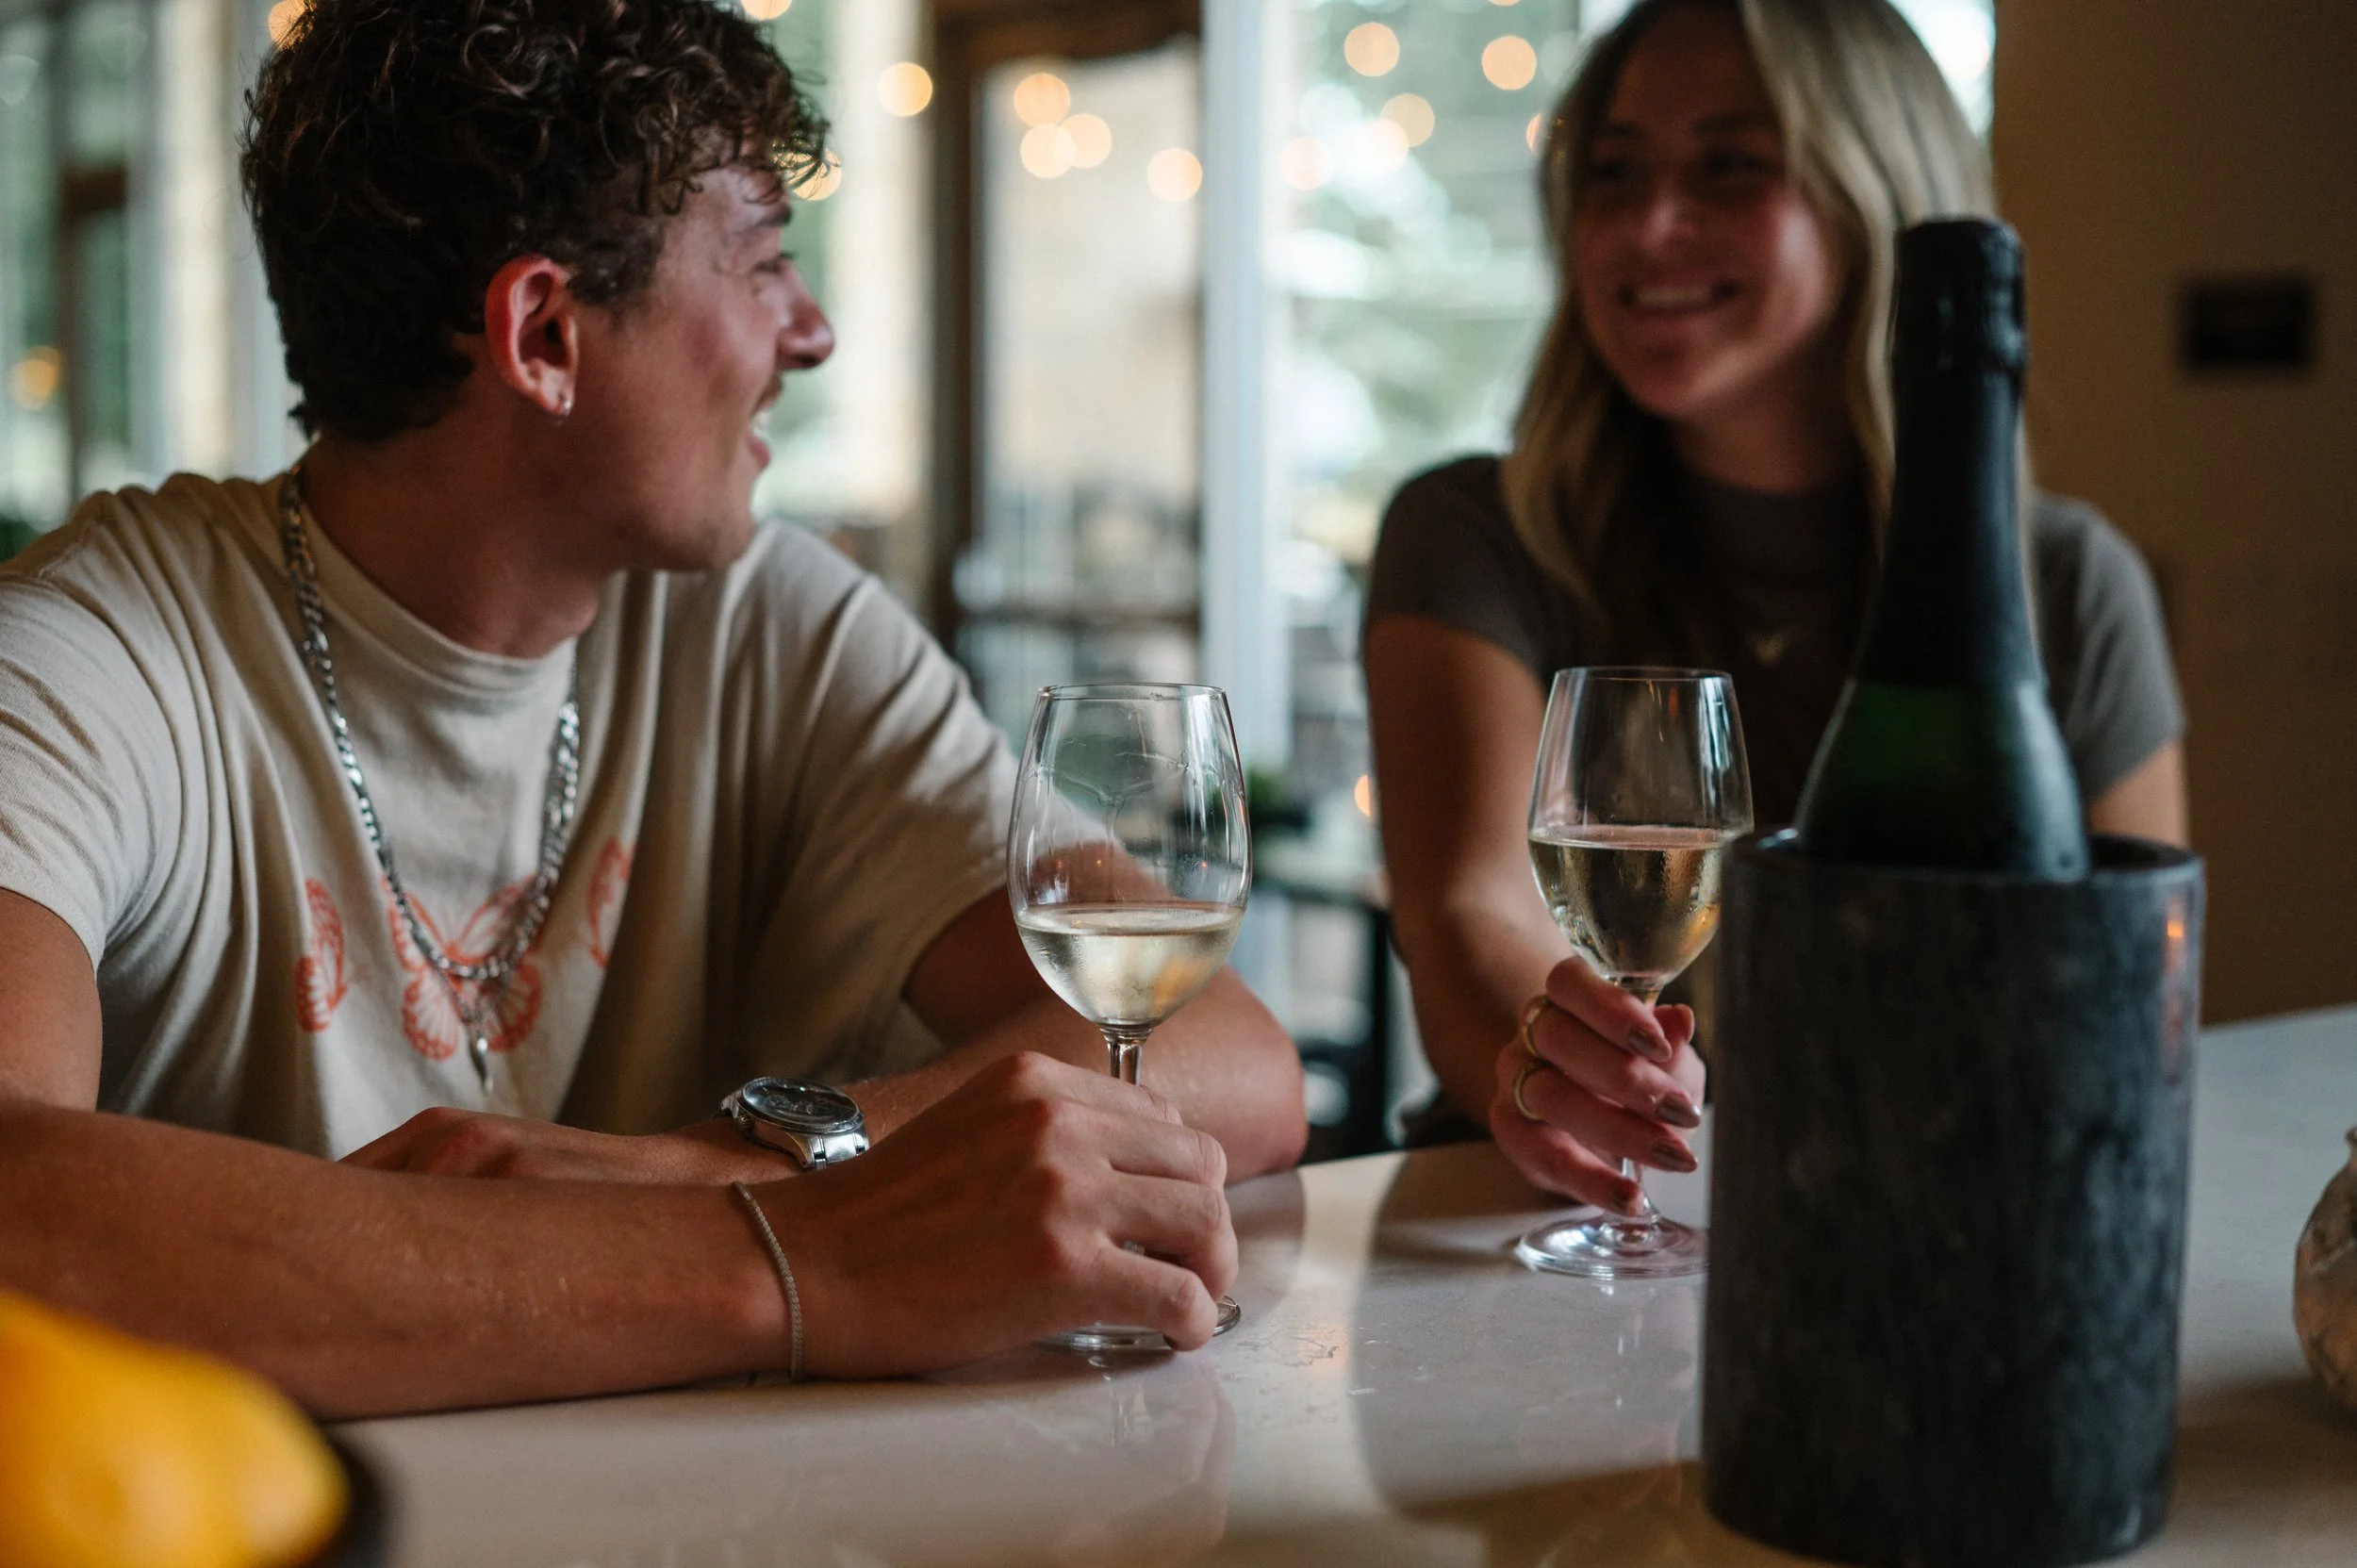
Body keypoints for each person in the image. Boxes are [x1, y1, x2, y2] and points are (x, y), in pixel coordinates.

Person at [0, 0, 1304, 1417]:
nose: (809, 332)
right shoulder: (95, 653)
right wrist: (799, 1262)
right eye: (762, 263)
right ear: (545, 333)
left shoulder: (770, 622)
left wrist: (723, 1161)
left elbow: (1222, 1048)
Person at [1363, 0, 2185, 1209]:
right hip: (1519, 1231)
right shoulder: (1477, 532)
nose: (1648, 224)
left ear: (1875, 199)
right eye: (1612, 172)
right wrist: (1572, 1083)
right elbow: (1470, 912)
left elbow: (2124, 1000)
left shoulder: (2067, 587)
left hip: (1910, 1229)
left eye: (1730, 165)